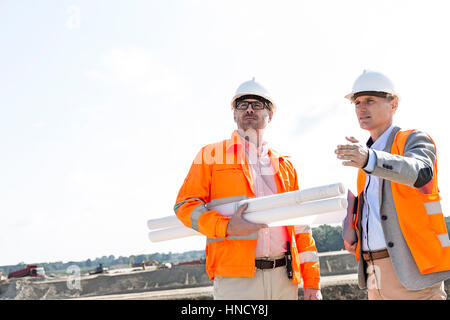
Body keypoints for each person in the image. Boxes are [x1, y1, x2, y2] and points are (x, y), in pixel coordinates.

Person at [174, 78, 322, 300]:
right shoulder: (211, 156)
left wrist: (312, 282)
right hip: (237, 281)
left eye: (258, 104)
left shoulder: (285, 166)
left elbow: (301, 229)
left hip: (284, 277)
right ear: (234, 114)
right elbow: (185, 206)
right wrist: (227, 227)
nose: (250, 109)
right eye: (242, 104)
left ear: (270, 115)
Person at [336, 70, 450, 300]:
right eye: (357, 102)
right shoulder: (365, 158)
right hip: (373, 274)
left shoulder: (412, 139)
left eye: (370, 100)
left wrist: (370, 160)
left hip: (412, 271)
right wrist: (351, 221)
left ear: (394, 104)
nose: (361, 107)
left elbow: (420, 171)